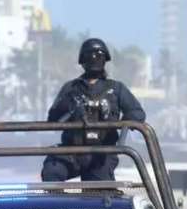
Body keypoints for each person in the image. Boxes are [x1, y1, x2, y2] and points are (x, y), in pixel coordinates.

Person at [41, 38, 146, 182]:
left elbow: (137, 113)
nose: (95, 59)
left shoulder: (116, 89)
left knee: (98, 194)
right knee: (52, 171)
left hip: (102, 153)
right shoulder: (71, 89)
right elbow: (53, 118)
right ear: (83, 60)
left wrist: (126, 122)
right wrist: (69, 107)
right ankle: (58, 204)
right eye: (91, 55)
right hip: (72, 151)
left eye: (99, 55)